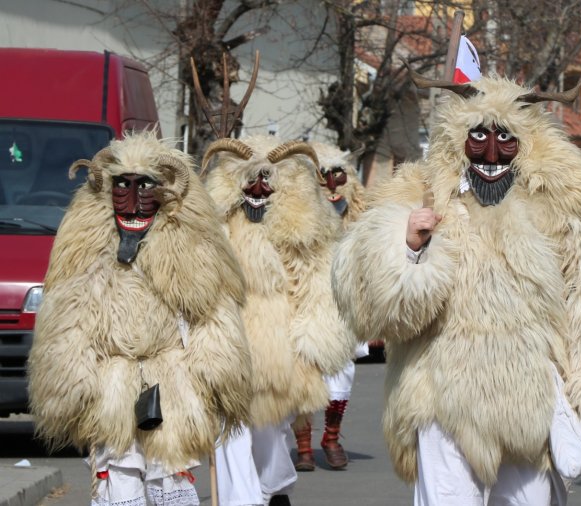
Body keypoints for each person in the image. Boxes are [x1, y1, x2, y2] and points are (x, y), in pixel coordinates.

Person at [330, 71, 581, 505]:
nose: (492, 151)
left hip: (532, 403)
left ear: (527, 143)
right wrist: (408, 247)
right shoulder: (419, 194)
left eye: (506, 138)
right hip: (440, 401)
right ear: (457, 137)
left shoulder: (562, 201)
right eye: (478, 135)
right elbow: (374, 313)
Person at [28, 132, 253, 505]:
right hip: (111, 384)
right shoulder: (86, 252)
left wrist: (218, 377)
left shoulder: (191, 253)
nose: (133, 200)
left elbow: (211, 315)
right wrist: (70, 382)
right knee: (119, 476)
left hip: (172, 380)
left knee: (169, 474)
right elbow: (69, 319)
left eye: (144, 186)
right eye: (122, 186)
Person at [202, 135, 357, 504]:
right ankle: (244, 499)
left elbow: (316, 286)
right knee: (230, 441)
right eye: (249, 180)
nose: (258, 188)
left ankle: (274, 492)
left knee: (271, 441)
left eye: (267, 181)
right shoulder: (218, 229)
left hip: (279, 355)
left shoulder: (299, 231)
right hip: (228, 350)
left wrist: (311, 350)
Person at [293, 142, 369, 472]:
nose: (331, 182)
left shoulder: (358, 217)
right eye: (324, 175)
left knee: (342, 372)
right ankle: (303, 445)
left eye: (338, 173)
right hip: (306, 301)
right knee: (303, 372)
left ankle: (332, 438)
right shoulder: (294, 217)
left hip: (341, 304)